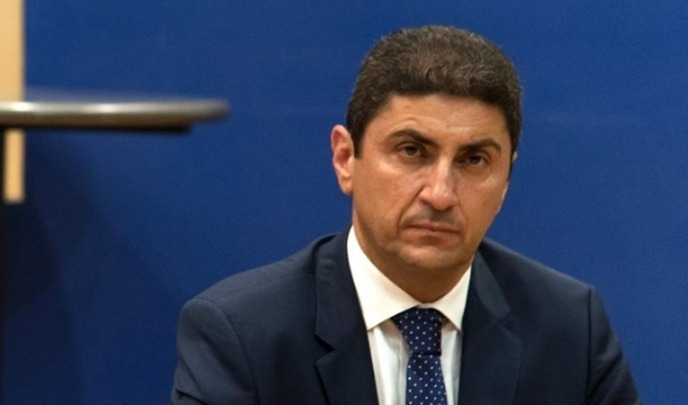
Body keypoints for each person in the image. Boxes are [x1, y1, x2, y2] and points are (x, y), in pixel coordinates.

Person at [170, 25, 640, 404]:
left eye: (474, 160)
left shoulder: (569, 329)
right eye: (412, 151)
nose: (440, 194)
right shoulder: (244, 336)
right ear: (345, 159)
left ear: (506, 181)